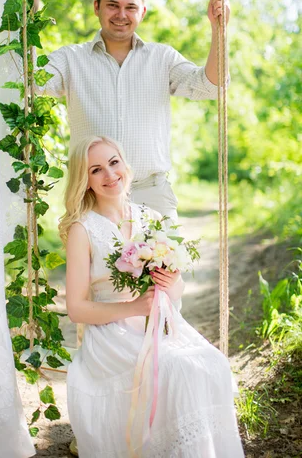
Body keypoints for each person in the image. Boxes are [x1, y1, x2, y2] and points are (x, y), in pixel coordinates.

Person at [59, 135, 244, 458]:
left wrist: (170, 281)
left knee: (211, 364)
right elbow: (76, 308)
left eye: (114, 163)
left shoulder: (151, 218)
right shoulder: (83, 229)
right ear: (84, 181)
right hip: (112, 335)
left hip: (159, 324)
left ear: (125, 164)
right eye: (96, 170)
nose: (110, 175)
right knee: (176, 369)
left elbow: (176, 291)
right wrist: (132, 306)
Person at [34, 0, 230, 225]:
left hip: (152, 194)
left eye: (131, 7)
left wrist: (218, 29)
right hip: (92, 197)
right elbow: (31, 83)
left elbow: (210, 87)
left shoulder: (162, 58)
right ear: (96, 7)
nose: (121, 15)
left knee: (165, 265)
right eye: (112, 5)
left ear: (143, 12)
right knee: (92, 266)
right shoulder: (71, 59)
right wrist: (30, 19)